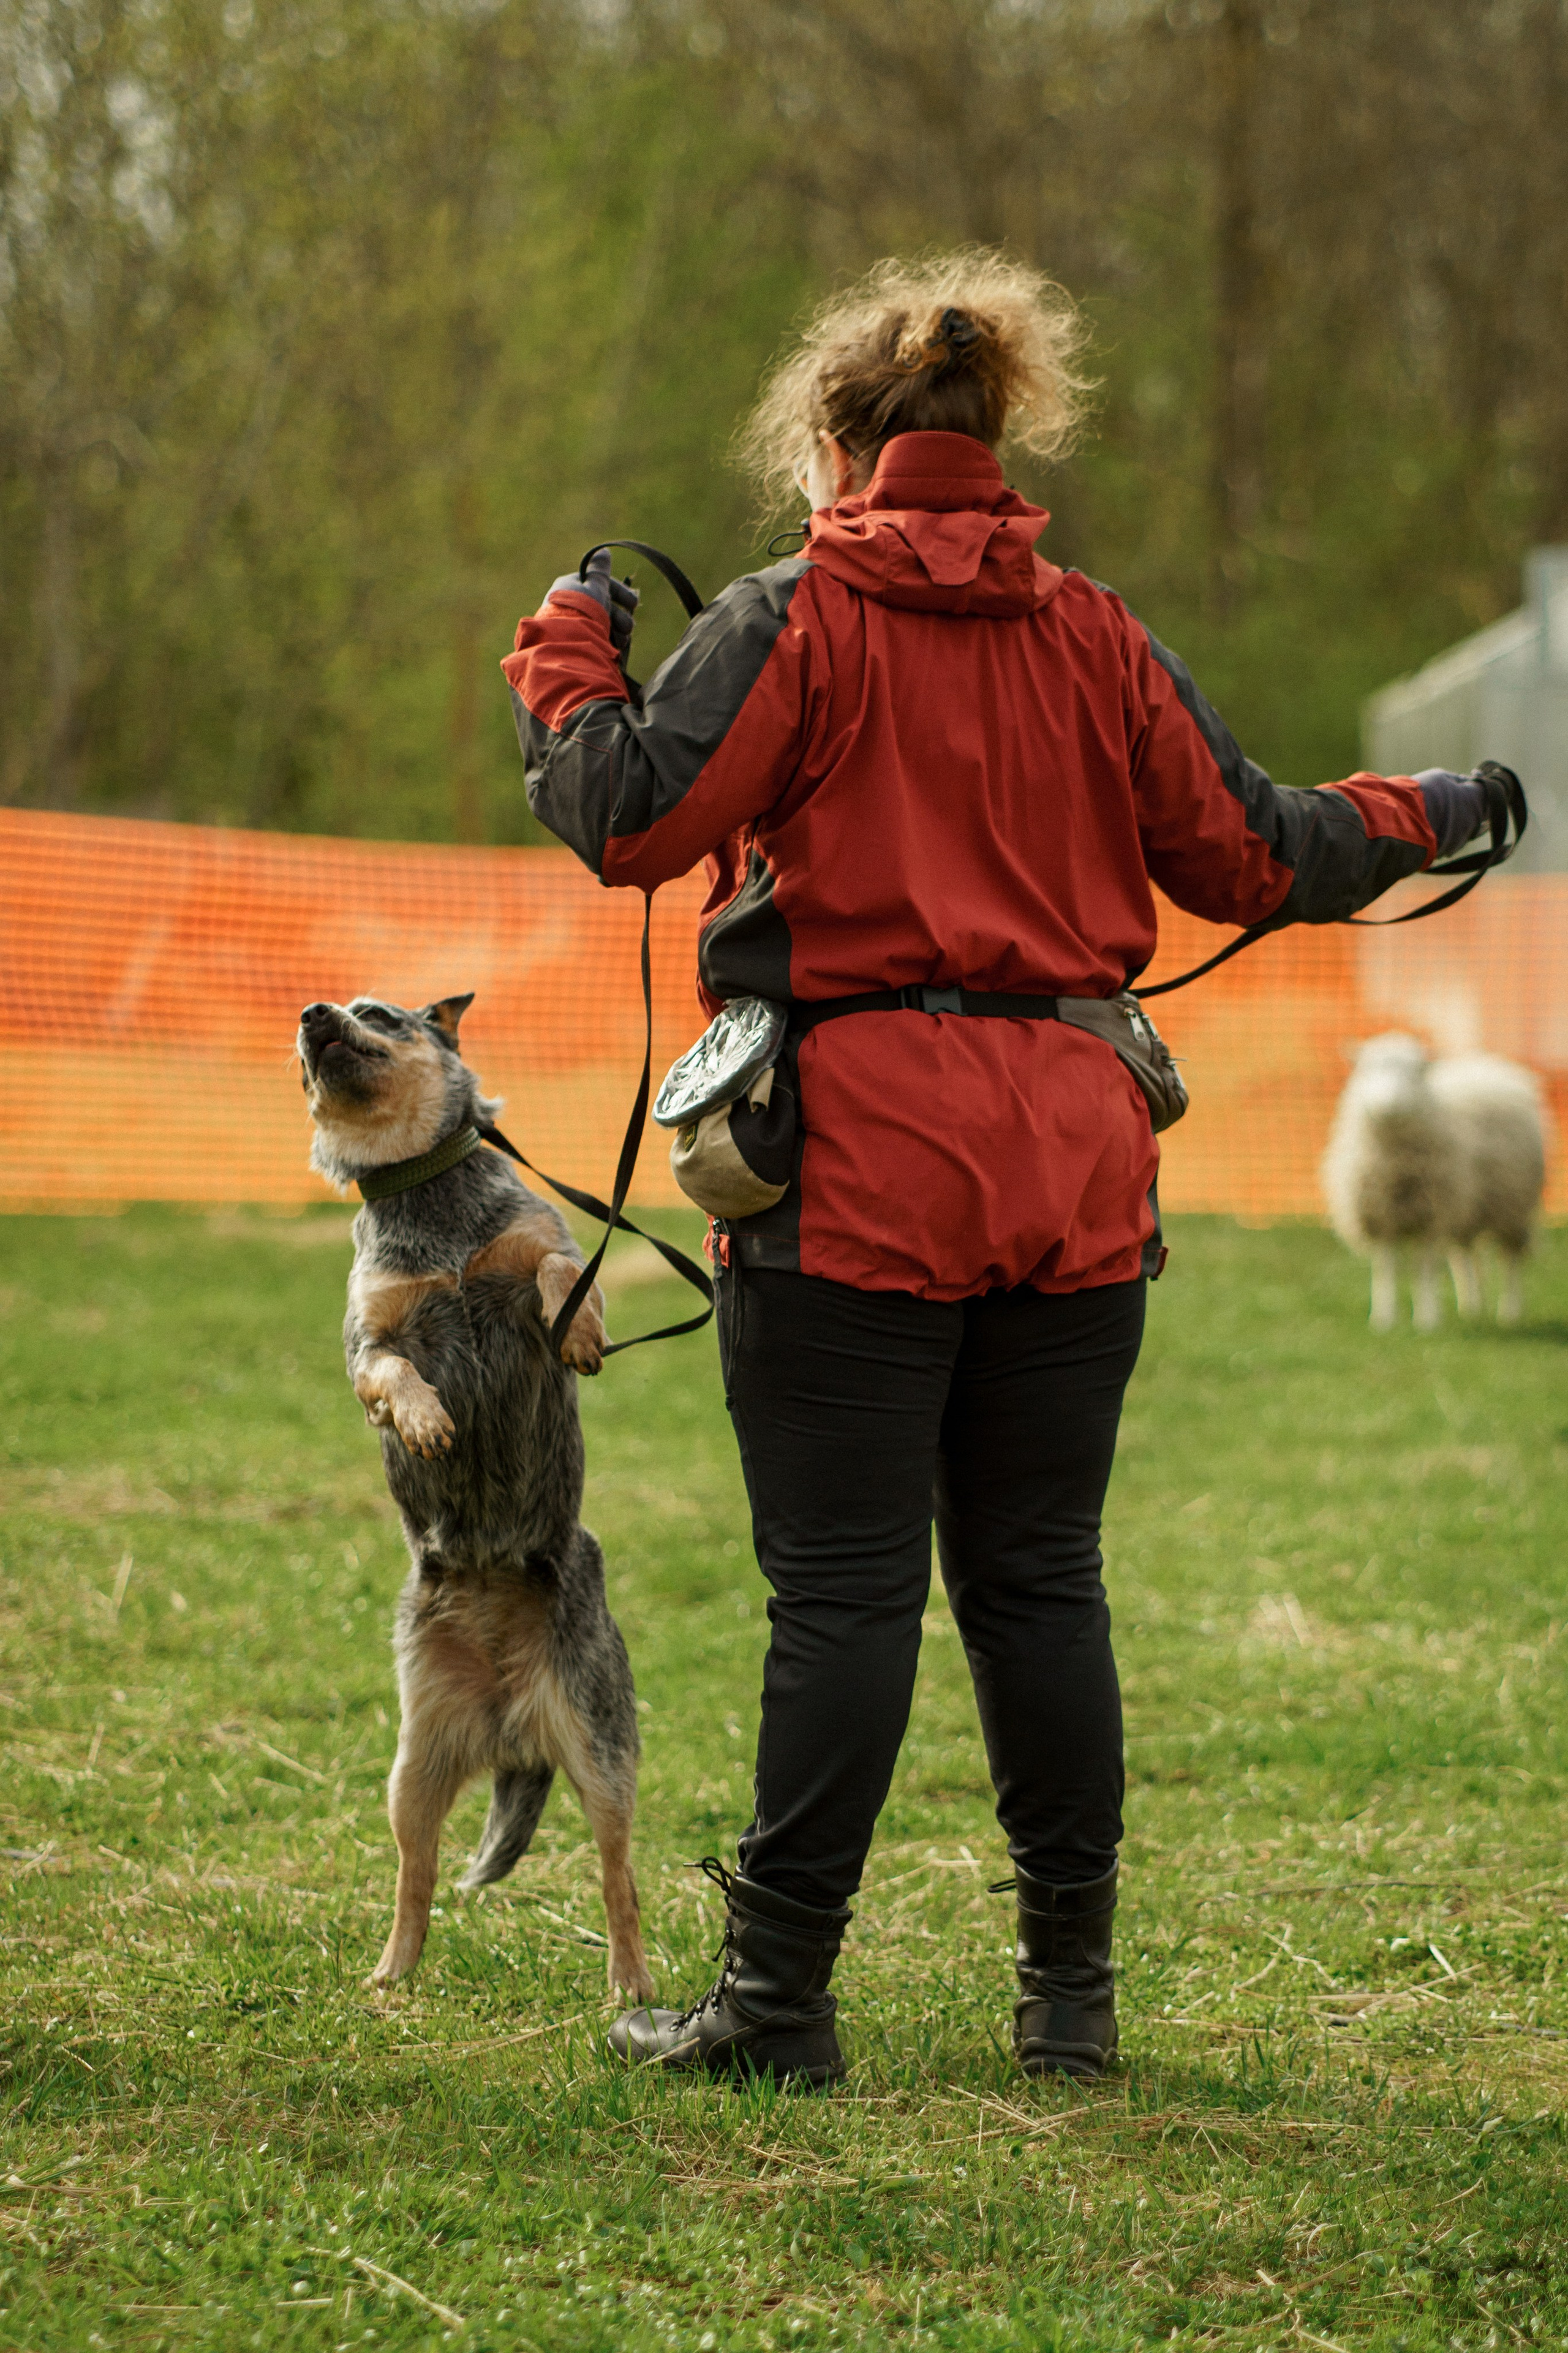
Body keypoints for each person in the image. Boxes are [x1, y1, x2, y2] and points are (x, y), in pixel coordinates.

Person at [500, 251, 1490, 2087]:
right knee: (1042, 1579)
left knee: (850, 1592)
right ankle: (1071, 2005)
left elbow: (629, 812)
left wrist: (564, 652)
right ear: (1002, 433)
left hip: (860, 1164)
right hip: (1076, 1161)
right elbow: (1260, 852)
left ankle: (780, 2008)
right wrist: (1439, 810)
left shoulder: (798, 614)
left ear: (833, 442)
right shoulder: (1097, 631)